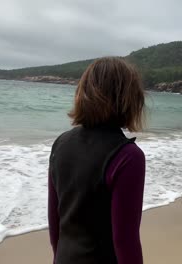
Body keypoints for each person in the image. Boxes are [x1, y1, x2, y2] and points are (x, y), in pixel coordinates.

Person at [48, 57, 146, 264]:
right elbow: (125, 240)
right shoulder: (128, 157)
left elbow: (55, 223)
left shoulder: (61, 144)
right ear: (130, 98)